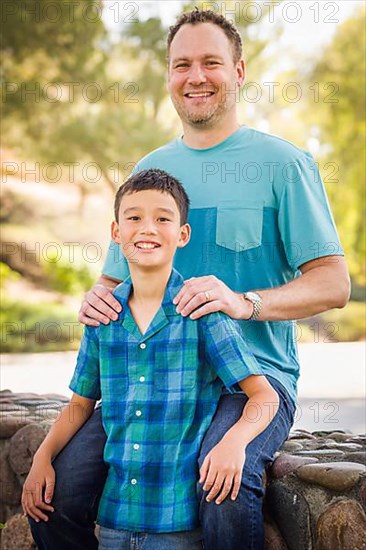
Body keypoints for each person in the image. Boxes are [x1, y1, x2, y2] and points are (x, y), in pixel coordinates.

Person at [27, 8, 350, 550]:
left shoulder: (283, 164)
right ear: (169, 76)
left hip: (248, 383)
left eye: (210, 63)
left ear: (239, 72)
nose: (195, 76)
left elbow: (334, 284)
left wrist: (243, 301)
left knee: (226, 487)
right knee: (53, 494)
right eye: (182, 64)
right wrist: (96, 301)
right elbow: (113, 279)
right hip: (150, 376)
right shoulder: (152, 166)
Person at [23, 168, 281, 550]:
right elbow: (79, 406)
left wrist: (234, 443)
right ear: (116, 233)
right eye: (134, 218)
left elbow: (264, 396)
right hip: (114, 523)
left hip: (178, 527)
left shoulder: (202, 312)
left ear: (182, 234)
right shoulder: (103, 317)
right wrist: (41, 458)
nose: (147, 228)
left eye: (162, 218)